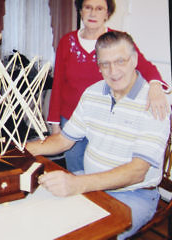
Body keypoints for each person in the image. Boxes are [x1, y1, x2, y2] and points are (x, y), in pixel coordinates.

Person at [26, 31, 170, 239]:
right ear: (98, 66)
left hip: (134, 194)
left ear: (135, 60)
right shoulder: (93, 92)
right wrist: (23, 148)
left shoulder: (154, 103)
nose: (113, 71)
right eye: (105, 64)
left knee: (88, 235)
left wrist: (77, 184)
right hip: (91, 181)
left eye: (120, 61)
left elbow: (136, 172)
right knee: (38, 212)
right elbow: (64, 140)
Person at [47, 0, 170, 173]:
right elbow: (58, 83)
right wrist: (55, 125)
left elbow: (146, 67)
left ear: (107, 13)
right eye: (88, 8)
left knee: (99, 170)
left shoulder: (118, 40)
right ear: (80, 11)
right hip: (71, 118)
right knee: (75, 172)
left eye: (99, 9)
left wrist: (155, 88)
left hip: (103, 121)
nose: (93, 13)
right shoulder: (67, 42)